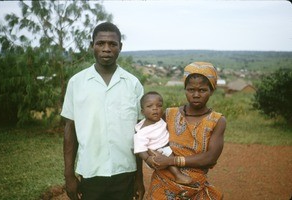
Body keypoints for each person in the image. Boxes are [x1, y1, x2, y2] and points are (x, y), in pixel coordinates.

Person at [61, 22, 145, 200]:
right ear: (92, 45)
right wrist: (69, 175)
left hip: (126, 172)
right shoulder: (76, 83)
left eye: (112, 44)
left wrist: (139, 177)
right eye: (100, 43)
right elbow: (70, 129)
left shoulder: (133, 84)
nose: (106, 49)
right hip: (91, 172)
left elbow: (140, 133)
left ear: (120, 47)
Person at [146, 62, 226, 200]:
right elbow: (150, 139)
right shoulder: (169, 114)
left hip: (194, 187)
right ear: (185, 89)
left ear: (212, 90)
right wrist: (152, 159)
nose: (196, 95)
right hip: (162, 185)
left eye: (202, 90)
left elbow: (210, 157)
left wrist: (171, 161)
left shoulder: (217, 121)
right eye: (190, 90)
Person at [134, 91, 193, 185]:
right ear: (142, 111)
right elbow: (140, 150)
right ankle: (178, 175)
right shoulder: (142, 132)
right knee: (167, 154)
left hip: (167, 145)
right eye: (149, 106)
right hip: (156, 153)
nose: (155, 109)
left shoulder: (160, 120)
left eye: (159, 106)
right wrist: (148, 159)